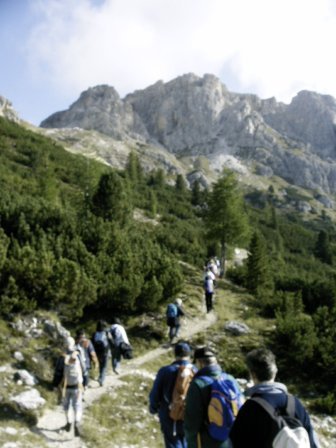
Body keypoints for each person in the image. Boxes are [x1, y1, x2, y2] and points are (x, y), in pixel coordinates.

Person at [229, 348, 320, 448]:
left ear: (253, 374)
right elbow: (313, 442)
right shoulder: (295, 403)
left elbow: (236, 443)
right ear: (275, 371)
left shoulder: (250, 408)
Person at [184, 345, 243, 448]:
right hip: (231, 439)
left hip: (207, 441)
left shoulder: (198, 384)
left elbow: (192, 423)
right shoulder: (230, 379)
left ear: (200, 363)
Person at [149, 341, 197, 448]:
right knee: (188, 441)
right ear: (189, 355)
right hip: (189, 414)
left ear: (175, 354)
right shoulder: (195, 371)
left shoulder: (165, 371)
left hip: (168, 413)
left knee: (173, 442)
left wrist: (153, 408)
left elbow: (155, 393)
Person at [53, 336, 86, 437]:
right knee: (77, 405)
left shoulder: (62, 357)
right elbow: (84, 370)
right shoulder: (78, 354)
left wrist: (54, 384)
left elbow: (58, 373)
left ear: (65, 344)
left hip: (66, 386)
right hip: (77, 385)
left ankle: (69, 423)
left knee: (66, 406)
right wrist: (84, 383)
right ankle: (77, 422)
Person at [91, 320, 110, 386]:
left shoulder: (94, 334)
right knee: (104, 366)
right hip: (105, 352)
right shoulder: (106, 333)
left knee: (100, 366)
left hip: (97, 352)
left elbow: (92, 343)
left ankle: (100, 377)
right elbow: (111, 340)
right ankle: (101, 379)